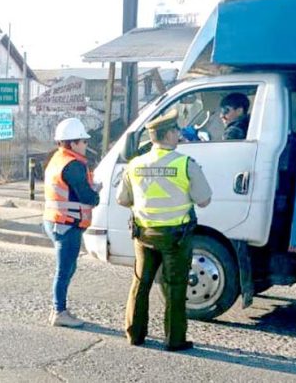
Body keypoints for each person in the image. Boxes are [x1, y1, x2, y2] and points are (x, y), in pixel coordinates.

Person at [117, 109, 212, 351]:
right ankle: (174, 339)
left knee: (140, 283)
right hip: (176, 238)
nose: (179, 133)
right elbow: (204, 200)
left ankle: (134, 334)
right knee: (176, 286)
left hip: (144, 235)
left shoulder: (135, 164)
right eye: (176, 130)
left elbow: (123, 199)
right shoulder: (185, 164)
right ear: (169, 134)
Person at [42, 117, 100, 328]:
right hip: (67, 223)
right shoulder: (73, 165)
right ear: (73, 143)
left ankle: (60, 309)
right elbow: (86, 196)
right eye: (83, 141)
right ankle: (59, 311)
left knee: (66, 267)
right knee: (64, 269)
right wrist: (96, 194)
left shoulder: (57, 159)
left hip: (55, 221)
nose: (86, 144)